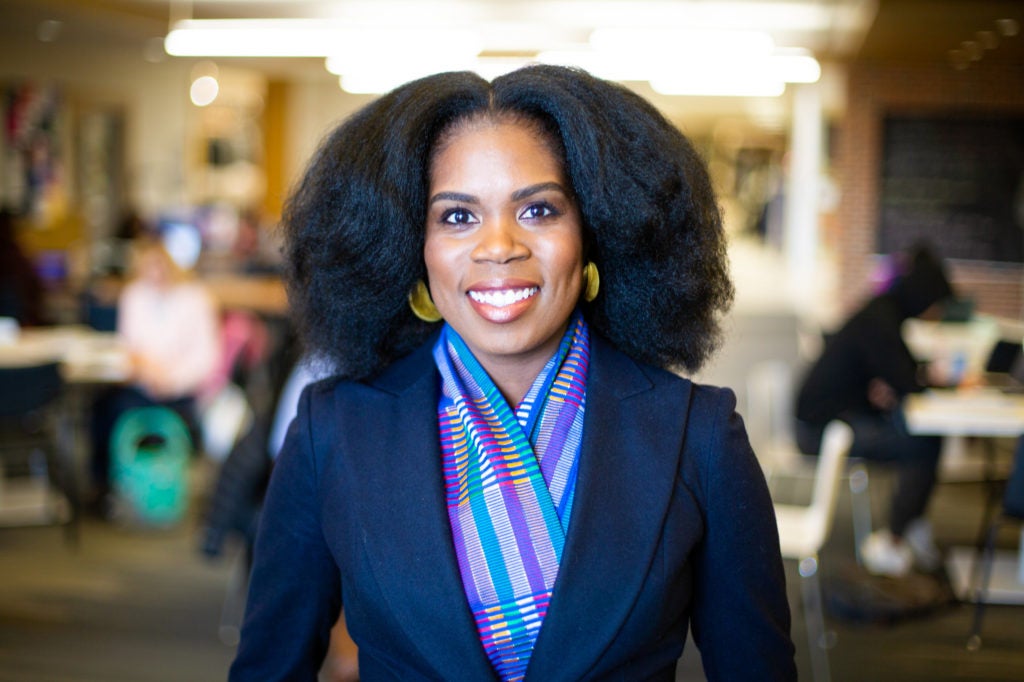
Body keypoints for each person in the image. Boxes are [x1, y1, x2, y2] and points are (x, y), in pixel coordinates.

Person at [230, 65, 795, 681]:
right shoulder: (333, 427)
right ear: (407, 246)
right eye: (457, 217)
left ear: (595, 230)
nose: (499, 246)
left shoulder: (699, 434)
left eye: (538, 210)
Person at [795, 243, 954, 578]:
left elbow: (899, 373)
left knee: (919, 436)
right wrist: (923, 380)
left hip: (829, 418)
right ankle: (896, 539)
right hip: (818, 431)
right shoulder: (881, 320)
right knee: (922, 444)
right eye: (935, 304)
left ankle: (907, 527)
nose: (936, 313)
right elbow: (906, 379)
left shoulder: (881, 311)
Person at [89, 237, 221, 512]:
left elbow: (206, 358)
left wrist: (171, 380)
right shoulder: (135, 295)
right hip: (141, 385)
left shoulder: (197, 298)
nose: (155, 274)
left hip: (182, 390)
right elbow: (130, 347)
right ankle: (106, 490)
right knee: (103, 411)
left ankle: (166, 489)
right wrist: (148, 373)